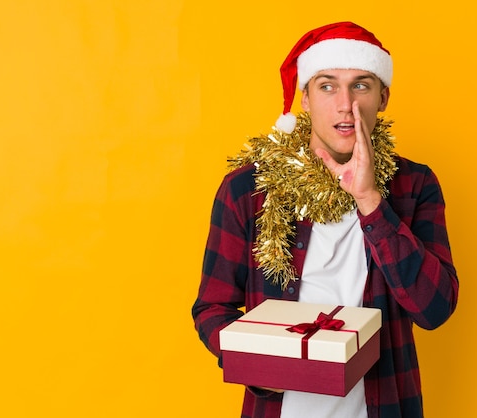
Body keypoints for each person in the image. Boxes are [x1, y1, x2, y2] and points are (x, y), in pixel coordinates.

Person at [192, 21, 459, 418]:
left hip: (384, 404)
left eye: (362, 85)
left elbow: (435, 308)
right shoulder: (247, 189)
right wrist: (256, 364)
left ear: (383, 97)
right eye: (327, 85)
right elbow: (212, 308)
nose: (345, 104)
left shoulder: (414, 185)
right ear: (305, 97)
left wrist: (370, 200)